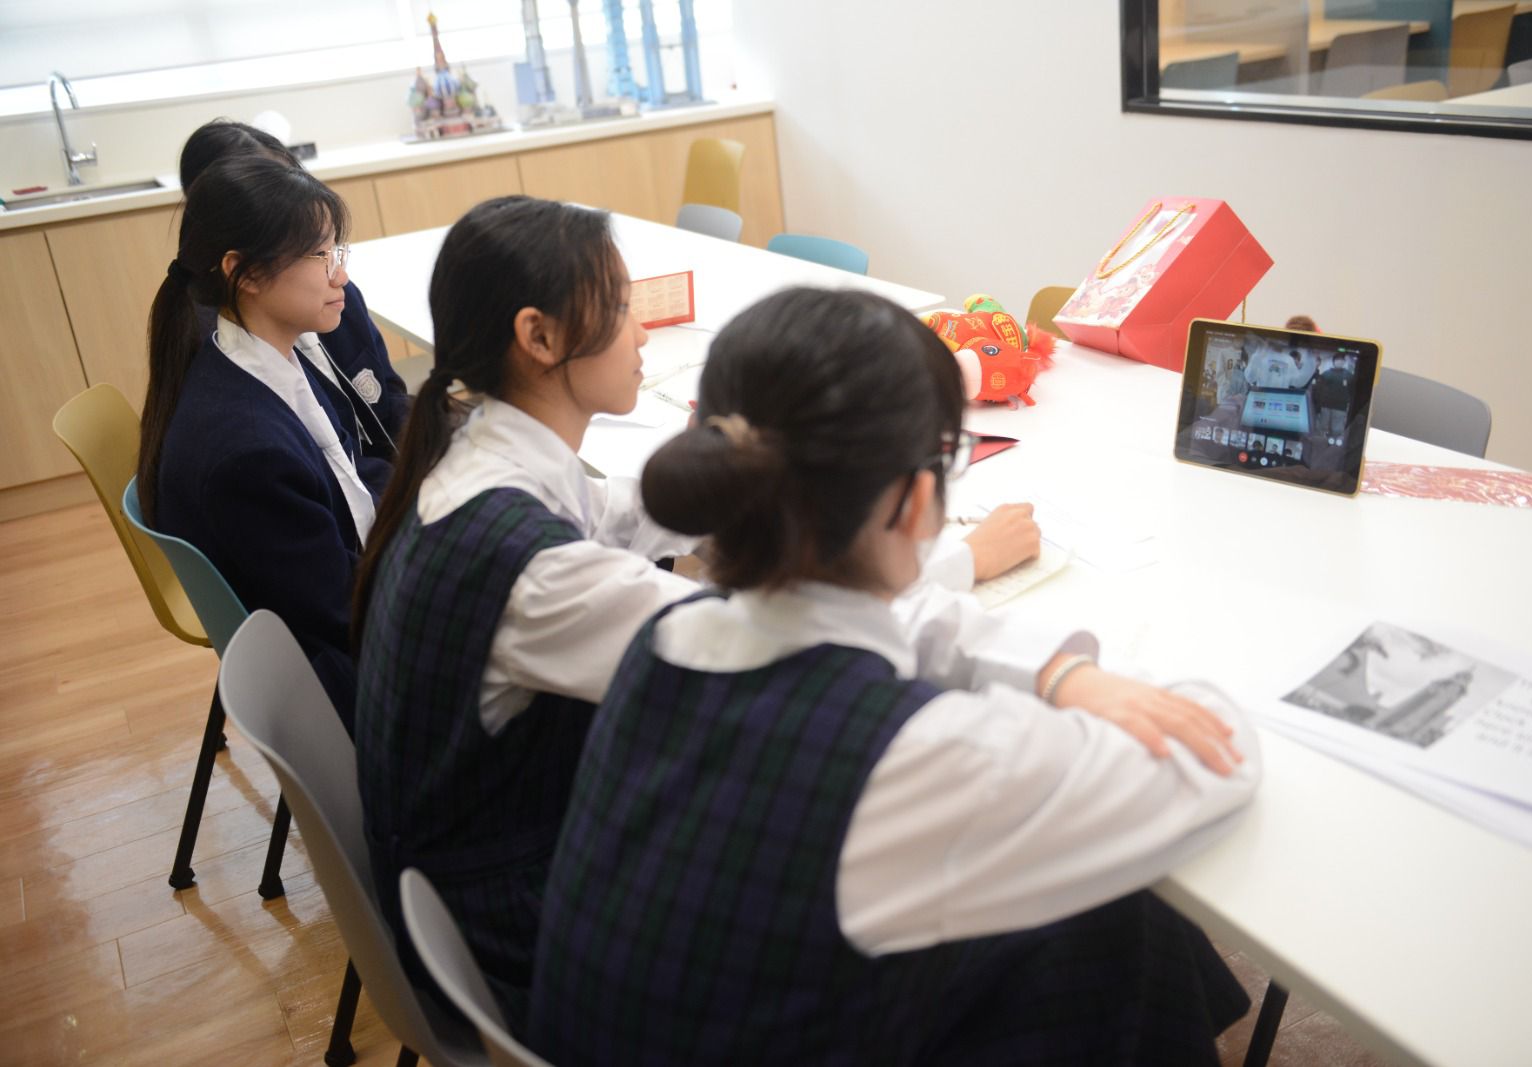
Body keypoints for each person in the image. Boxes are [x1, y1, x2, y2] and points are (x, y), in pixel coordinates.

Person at [350, 197, 1047, 1018]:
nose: (642, 334)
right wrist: (959, 557)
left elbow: (622, 511)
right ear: (538, 337)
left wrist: (758, 472)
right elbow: (776, 641)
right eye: (619, 309)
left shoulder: (479, 457)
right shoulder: (538, 574)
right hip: (519, 927)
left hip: (483, 865)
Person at [527, 287, 1262, 1065]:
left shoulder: (665, 635)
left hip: (631, 1028)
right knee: (1115, 916)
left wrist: (1058, 669)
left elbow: (879, 618)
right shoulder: (915, 756)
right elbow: (1219, 756)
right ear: (918, 501)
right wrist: (1135, 678)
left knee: (1099, 927)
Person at [139, 155, 375, 725]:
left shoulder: (252, 364)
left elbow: (347, 483)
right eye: (320, 255)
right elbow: (345, 614)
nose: (340, 275)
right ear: (243, 272)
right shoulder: (249, 452)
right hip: (351, 686)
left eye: (337, 252)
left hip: (343, 627)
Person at [178, 120, 409, 485]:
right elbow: (336, 474)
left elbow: (389, 396)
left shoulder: (327, 302)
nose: (339, 275)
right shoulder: (248, 414)